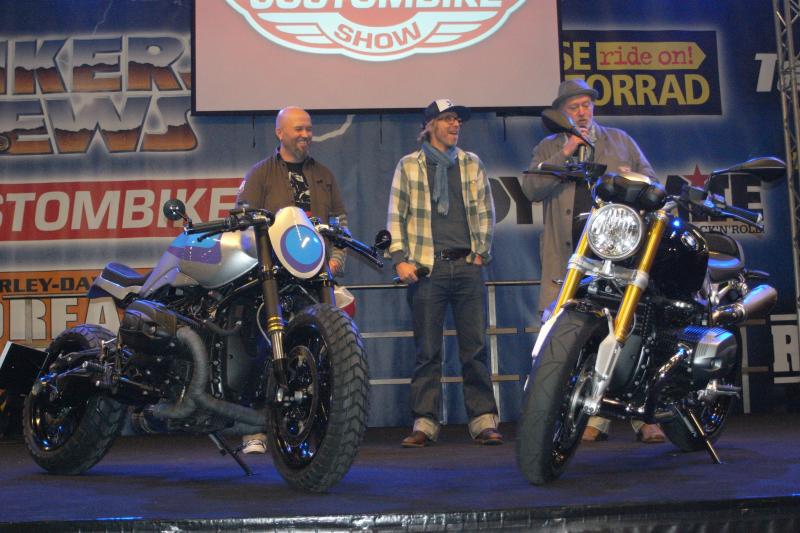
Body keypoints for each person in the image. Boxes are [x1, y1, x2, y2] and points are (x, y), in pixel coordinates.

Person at [522, 79, 666, 444]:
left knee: (630, 332)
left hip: (621, 256)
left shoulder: (620, 141)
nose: (583, 112)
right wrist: (567, 149)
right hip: (570, 259)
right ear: (562, 114)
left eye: (586, 105)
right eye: (574, 108)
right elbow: (531, 189)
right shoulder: (550, 146)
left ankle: (644, 418)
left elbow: (654, 186)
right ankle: (593, 417)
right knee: (576, 337)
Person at [387, 99, 502, 448]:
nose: (455, 125)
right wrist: (400, 259)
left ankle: (483, 420)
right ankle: (424, 422)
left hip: (466, 266)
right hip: (427, 268)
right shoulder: (409, 165)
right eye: (448, 119)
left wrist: (480, 254)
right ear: (430, 126)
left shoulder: (471, 163)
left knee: (475, 349)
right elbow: (396, 216)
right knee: (427, 352)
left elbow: (486, 211)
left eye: (458, 120)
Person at [236, 106, 349, 454]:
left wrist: (336, 260)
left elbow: (340, 224)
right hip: (270, 282)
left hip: (315, 282)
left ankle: (317, 432)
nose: (306, 135)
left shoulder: (324, 175)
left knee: (319, 355)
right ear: (280, 133)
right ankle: (253, 430)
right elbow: (242, 224)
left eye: (309, 129)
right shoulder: (260, 174)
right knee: (260, 350)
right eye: (298, 129)